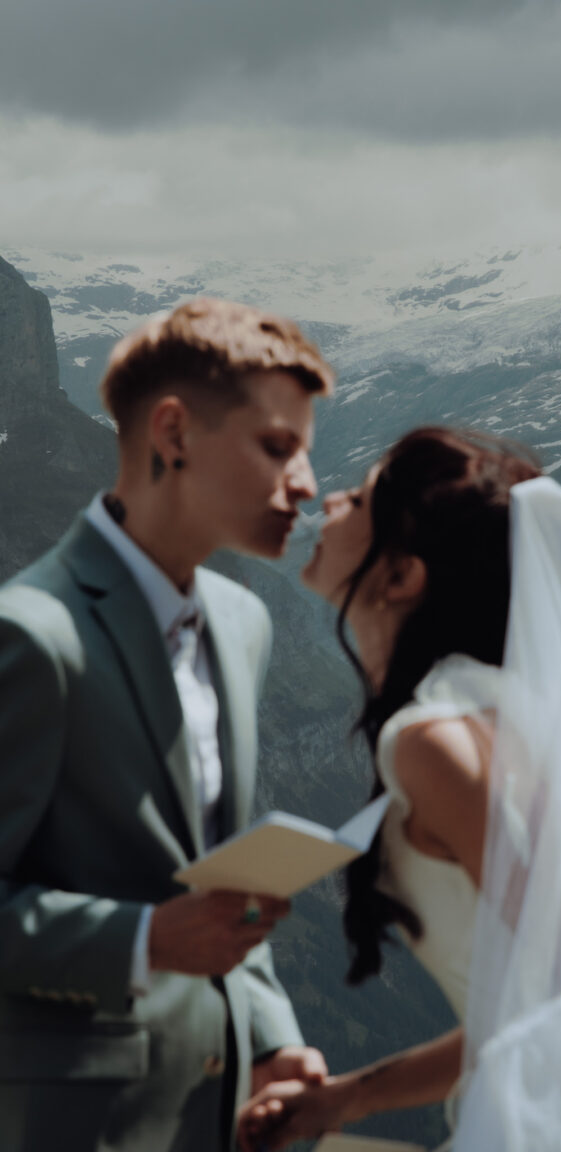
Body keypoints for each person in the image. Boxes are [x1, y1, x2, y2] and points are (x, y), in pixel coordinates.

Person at [239, 425, 561, 1151]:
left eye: (359, 496)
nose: (329, 496)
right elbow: (532, 1001)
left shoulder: (433, 742)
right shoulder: (531, 724)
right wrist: (343, 1102)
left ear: (401, 576)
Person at [0, 298, 334, 1152]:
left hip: (212, 1121)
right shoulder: (33, 636)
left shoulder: (240, 623)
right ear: (175, 434)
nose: (305, 485)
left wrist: (272, 1040)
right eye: (276, 447)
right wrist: (142, 937)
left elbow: (214, 885)